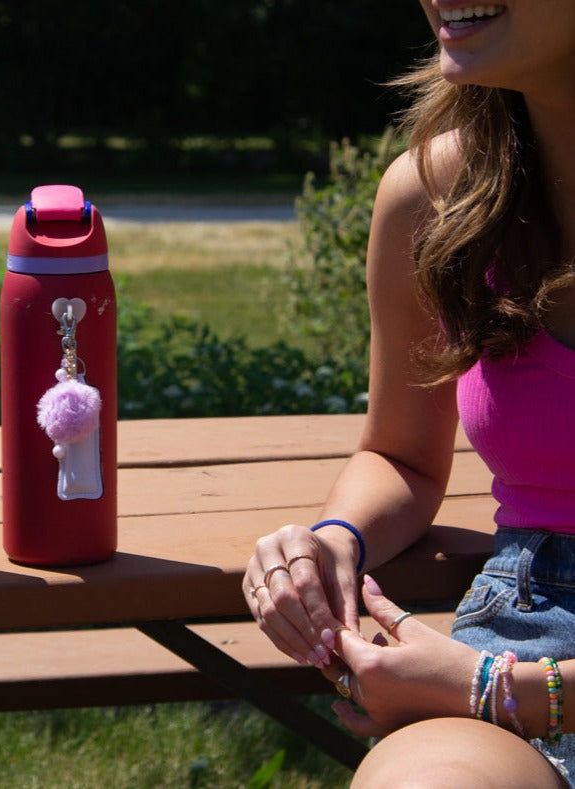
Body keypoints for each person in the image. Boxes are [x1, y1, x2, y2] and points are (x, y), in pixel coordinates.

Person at [243, 2, 575, 786]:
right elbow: (398, 453)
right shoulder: (434, 198)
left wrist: (495, 689)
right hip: (523, 627)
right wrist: (333, 541)